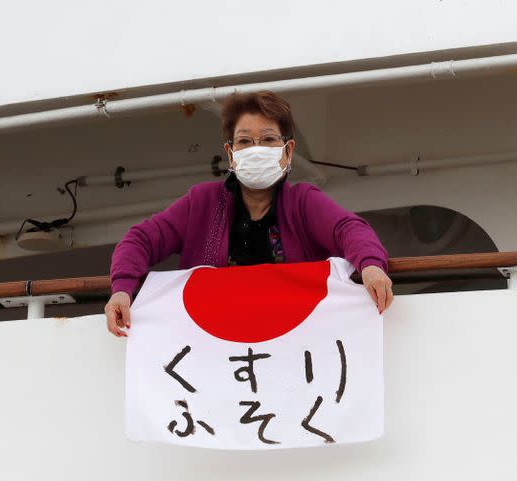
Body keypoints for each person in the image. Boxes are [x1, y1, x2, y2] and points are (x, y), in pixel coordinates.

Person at [105, 90, 393, 337]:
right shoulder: (201, 203)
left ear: (288, 151)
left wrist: (370, 266)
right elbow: (140, 240)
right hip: (216, 352)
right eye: (244, 141)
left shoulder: (303, 202)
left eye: (268, 140)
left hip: (293, 345)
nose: (256, 150)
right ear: (231, 154)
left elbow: (349, 228)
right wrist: (122, 290)